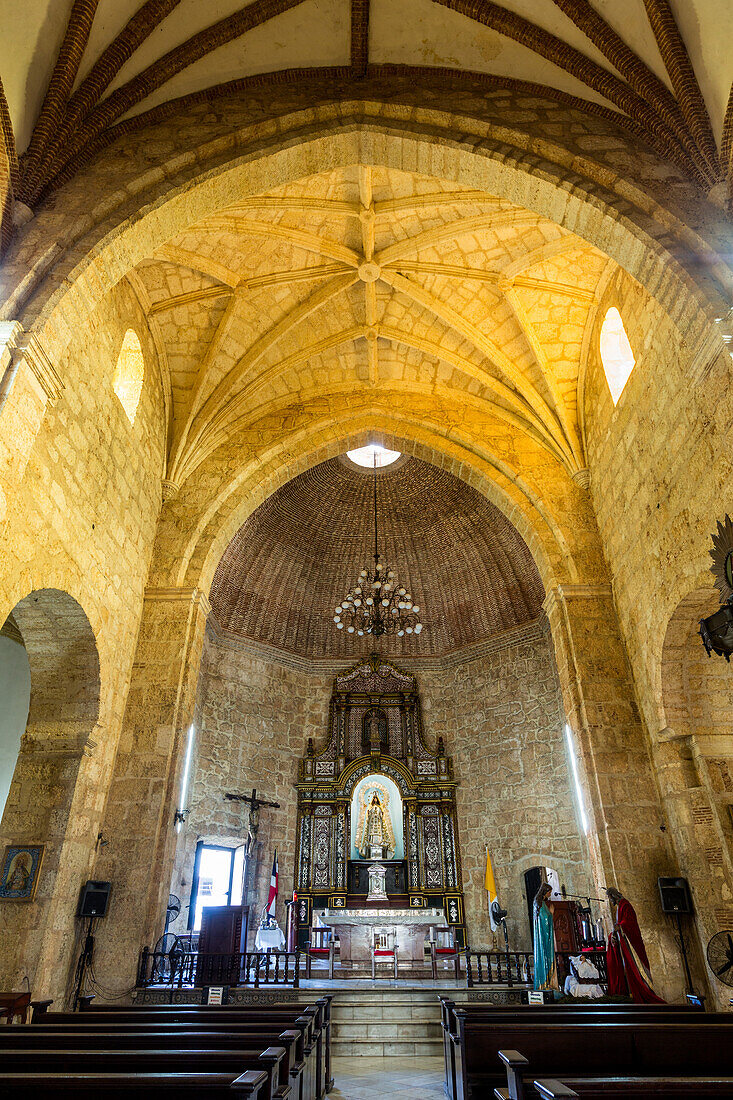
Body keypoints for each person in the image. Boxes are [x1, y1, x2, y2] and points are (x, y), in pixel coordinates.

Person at [605, 886, 665, 1003]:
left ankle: (642, 991)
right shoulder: (619, 907)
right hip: (624, 943)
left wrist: (620, 927)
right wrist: (613, 934)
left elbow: (630, 922)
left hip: (632, 944)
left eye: (609, 897)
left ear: (613, 896)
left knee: (635, 969)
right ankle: (630, 992)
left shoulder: (625, 904)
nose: (609, 900)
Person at [533, 882, 559, 993]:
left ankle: (547, 984)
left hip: (542, 936)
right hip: (543, 936)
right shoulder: (539, 903)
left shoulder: (539, 903)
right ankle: (545, 985)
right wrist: (551, 914)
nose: (550, 894)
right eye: (549, 892)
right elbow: (544, 920)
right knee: (544, 955)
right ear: (545, 892)